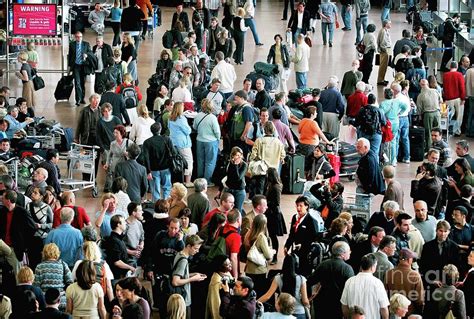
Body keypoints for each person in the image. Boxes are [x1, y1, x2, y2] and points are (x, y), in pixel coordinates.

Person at [307, 241, 354, 319]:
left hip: (322, 303)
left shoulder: (323, 264)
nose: (350, 252)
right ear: (342, 254)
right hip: (338, 305)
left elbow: (310, 281)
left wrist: (309, 296)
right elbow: (351, 290)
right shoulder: (347, 269)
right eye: (348, 250)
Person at [259, 254, 309, 319]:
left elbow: (268, 296)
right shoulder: (302, 279)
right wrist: (308, 305)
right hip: (298, 312)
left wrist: (256, 302)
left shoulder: (278, 278)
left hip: (282, 311)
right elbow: (305, 301)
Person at [340, 254, 390, 319]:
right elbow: (384, 308)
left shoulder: (350, 281)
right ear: (372, 267)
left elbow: (344, 305)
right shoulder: (377, 283)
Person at [171, 235, 207, 317]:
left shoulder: (179, 254)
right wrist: (193, 279)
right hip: (183, 299)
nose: (197, 251)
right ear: (188, 246)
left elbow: (180, 275)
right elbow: (175, 281)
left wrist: (193, 274)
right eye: (195, 248)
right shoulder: (183, 261)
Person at [284, 196, 319, 276]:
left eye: (301, 206)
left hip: (305, 254)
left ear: (306, 206)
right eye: (297, 205)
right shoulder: (294, 218)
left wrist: (303, 245)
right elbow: (291, 234)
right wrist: (287, 245)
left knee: (304, 275)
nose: (298, 208)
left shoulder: (311, 221)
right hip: (295, 252)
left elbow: (314, 238)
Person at [385, 248, 424, 316]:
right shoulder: (415, 275)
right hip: (409, 312)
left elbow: (385, 294)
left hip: (393, 312)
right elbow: (419, 299)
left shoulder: (389, 273)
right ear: (409, 260)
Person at [34, 243, 73, 311]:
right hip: (60, 301)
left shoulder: (39, 267)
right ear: (57, 253)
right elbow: (70, 282)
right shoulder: (63, 265)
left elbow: (36, 286)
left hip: (44, 301)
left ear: (44, 253)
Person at [242, 214, 273, 297]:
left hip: (249, 269)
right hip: (259, 270)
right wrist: (272, 251)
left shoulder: (248, 234)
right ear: (263, 225)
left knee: (250, 293)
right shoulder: (261, 237)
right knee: (259, 293)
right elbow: (268, 255)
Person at [142, 122, 174, 201]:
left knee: (155, 190)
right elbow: (174, 152)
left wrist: (148, 171)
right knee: (167, 187)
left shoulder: (147, 142)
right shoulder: (167, 139)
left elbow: (146, 158)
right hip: (166, 168)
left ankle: (156, 206)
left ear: (151, 131)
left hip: (153, 169)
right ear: (160, 129)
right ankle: (166, 204)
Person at [194, 98, 221, 184]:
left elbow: (194, 127)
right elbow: (217, 131)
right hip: (211, 141)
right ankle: (207, 181)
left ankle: (199, 180)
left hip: (199, 140)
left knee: (200, 161)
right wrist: (218, 139)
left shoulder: (198, 115)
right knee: (210, 162)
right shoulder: (212, 118)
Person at [25, 187, 53, 269]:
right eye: (32, 192)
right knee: (31, 263)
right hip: (31, 238)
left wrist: (41, 226)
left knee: (42, 263)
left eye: (35, 193)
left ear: (41, 196)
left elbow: (52, 224)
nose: (32, 194)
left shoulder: (47, 208)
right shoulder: (28, 206)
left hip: (42, 239)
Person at [102, 215, 135, 280]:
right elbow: (117, 262)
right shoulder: (114, 241)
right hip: (117, 277)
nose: (125, 223)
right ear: (118, 225)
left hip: (121, 275)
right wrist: (130, 267)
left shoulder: (119, 239)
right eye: (123, 222)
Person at [169, 102, 193, 187]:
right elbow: (188, 131)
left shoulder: (170, 118)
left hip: (174, 142)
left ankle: (178, 180)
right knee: (188, 161)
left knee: (177, 161)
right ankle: (188, 181)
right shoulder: (181, 119)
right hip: (183, 143)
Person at [68, 32, 91, 106]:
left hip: (83, 66)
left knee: (82, 83)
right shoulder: (72, 44)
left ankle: (82, 98)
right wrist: (69, 66)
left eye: (80, 37)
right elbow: (70, 56)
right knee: (77, 83)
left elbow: (90, 53)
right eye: (77, 37)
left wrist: (87, 55)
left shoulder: (86, 44)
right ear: (75, 37)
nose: (79, 38)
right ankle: (78, 99)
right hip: (76, 66)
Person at [224, 147, 248, 214]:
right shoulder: (229, 163)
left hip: (239, 191)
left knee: (237, 210)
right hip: (229, 189)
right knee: (227, 209)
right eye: (237, 155)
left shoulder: (244, 165)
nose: (239, 157)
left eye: (241, 155)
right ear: (233, 156)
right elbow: (226, 177)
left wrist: (236, 165)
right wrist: (220, 190)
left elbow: (238, 178)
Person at [376, 20, 392, 86]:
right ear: (386, 24)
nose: (391, 24)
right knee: (383, 66)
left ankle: (382, 78)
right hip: (385, 50)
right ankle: (380, 80)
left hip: (386, 49)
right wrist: (385, 50)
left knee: (384, 66)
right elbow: (382, 42)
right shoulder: (383, 31)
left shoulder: (385, 30)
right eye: (389, 23)